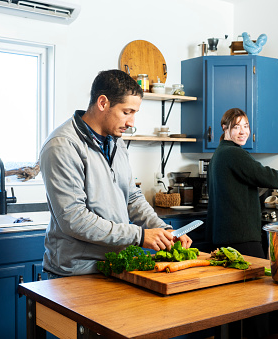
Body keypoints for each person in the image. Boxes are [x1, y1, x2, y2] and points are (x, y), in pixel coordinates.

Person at [39, 69, 191, 278]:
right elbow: (74, 219)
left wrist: (163, 230)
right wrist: (140, 236)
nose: (131, 123)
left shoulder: (116, 141)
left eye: (134, 113)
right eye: (127, 112)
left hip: (115, 265)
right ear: (103, 103)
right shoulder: (62, 145)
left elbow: (132, 197)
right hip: (76, 273)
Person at [206, 107, 278, 258]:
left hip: (223, 236)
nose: (243, 131)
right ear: (225, 128)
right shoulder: (234, 153)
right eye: (236, 127)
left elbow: (246, 182)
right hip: (241, 236)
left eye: (246, 126)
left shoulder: (218, 154)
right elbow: (266, 176)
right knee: (258, 280)